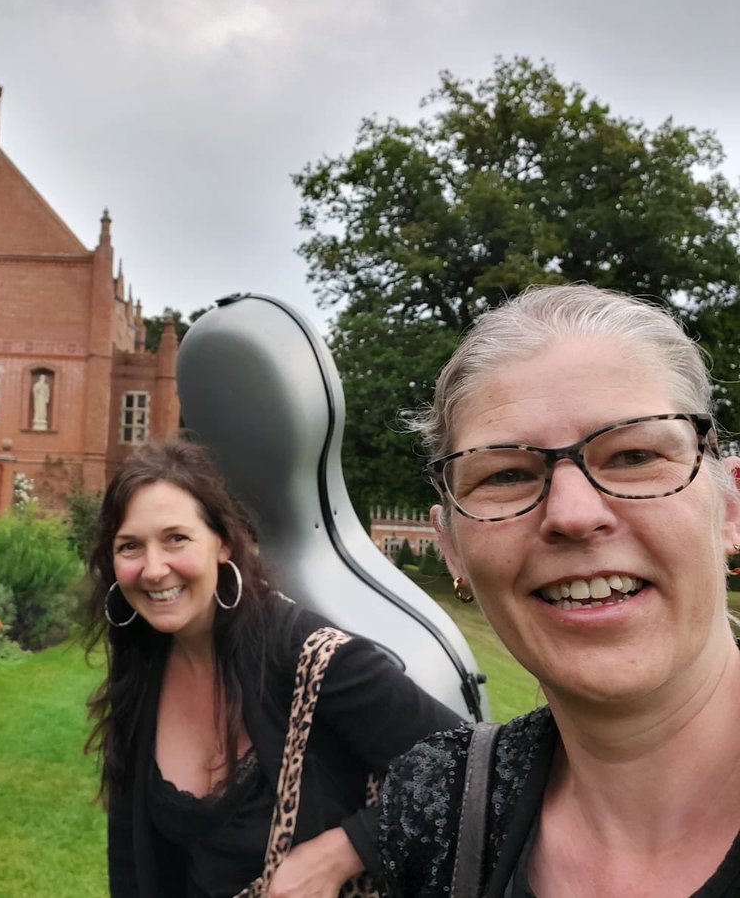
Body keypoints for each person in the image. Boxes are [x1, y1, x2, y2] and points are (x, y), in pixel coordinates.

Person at [380, 284, 740, 896]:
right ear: (452, 547)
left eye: (632, 455)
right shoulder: (435, 805)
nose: (573, 514)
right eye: (507, 474)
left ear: (731, 505)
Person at [85, 440, 460, 897]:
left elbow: (465, 765)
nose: (154, 568)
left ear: (221, 543)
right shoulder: (143, 665)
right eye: (130, 546)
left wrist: (343, 851)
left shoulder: (306, 655)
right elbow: (129, 856)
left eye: (176, 538)